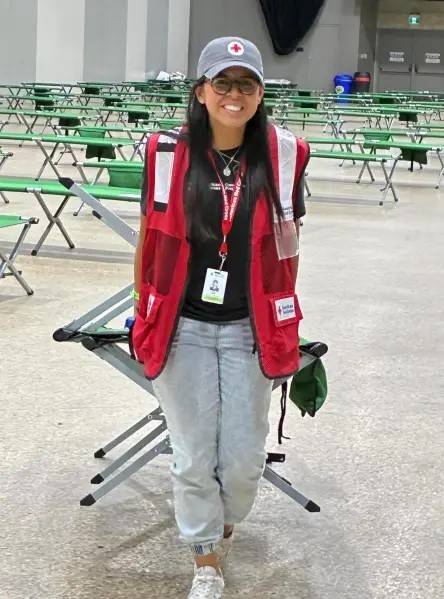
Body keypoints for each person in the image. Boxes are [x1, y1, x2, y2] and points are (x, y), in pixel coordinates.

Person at [133, 36, 309, 599]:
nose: (234, 95)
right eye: (223, 83)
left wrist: (283, 317)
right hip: (181, 324)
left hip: (247, 329)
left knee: (240, 459)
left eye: (246, 84)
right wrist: (144, 308)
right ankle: (204, 558)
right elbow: (147, 237)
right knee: (191, 453)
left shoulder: (283, 155)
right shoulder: (165, 152)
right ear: (202, 91)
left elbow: (290, 243)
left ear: (260, 94)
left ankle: (225, 523)